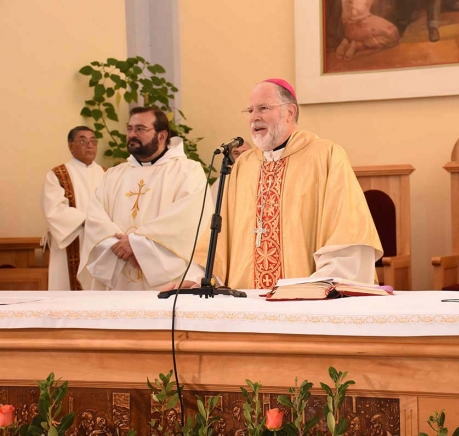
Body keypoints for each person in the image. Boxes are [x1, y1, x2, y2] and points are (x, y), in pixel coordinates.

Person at [170, 78, 382, 290]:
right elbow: (219, 236)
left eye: (263, 108)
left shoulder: (324, 156)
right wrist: (199, 277)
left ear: (290, 112)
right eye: (250, 110)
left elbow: (346, 228)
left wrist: (323, 283)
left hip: (302, 299)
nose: (254, 118)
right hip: (247, 298)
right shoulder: (243, 165)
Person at [78, 107, 212, 290]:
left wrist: (137, 246)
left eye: (140, 129)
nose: (132, 134)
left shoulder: (188, 171)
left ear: (162, 136)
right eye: (129, 129)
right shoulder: (113, 175)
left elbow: (187, 220)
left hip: (164, 282)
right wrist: (119, 245)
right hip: (118, 273)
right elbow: (96, 218)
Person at [41, 126, 105, 290]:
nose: (90, 145)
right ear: (70, 145)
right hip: (73, 239)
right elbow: (54, 210)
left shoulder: (107, 174)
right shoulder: (58, 174)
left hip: (101, 241)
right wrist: (87, 221)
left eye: (93, 141)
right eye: (83, 141)